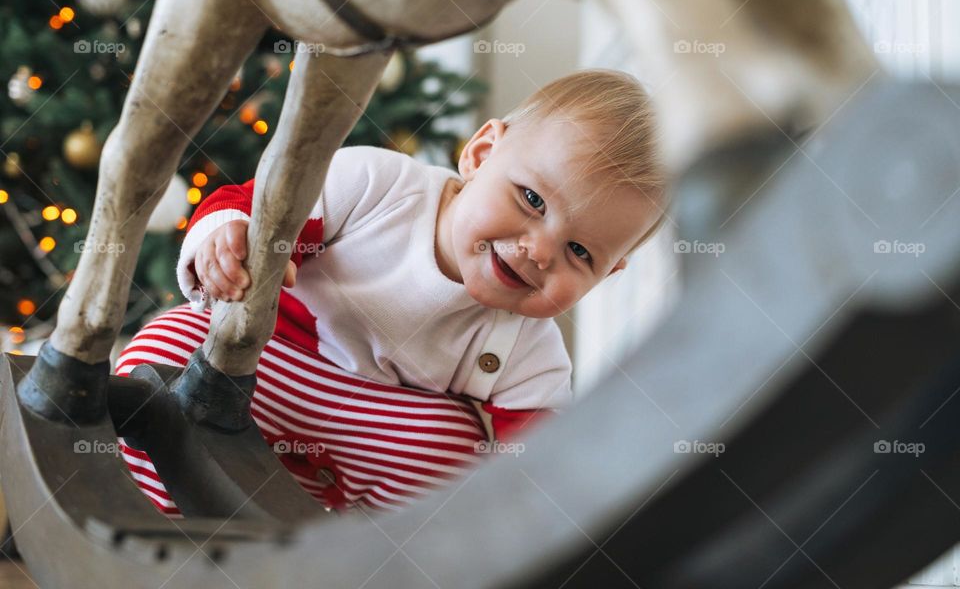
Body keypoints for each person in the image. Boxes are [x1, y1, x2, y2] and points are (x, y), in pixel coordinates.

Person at [117, 69, 670, 515]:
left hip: (367, 439)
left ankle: (362, 558)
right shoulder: (380, 185)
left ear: (609, 273)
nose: (541, 250)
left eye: (580, 253)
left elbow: (545, 464)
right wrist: (231, 237)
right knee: (166, 345)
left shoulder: (531, 353)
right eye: (532, 199)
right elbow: (260, 203)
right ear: (480, 155)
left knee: (457, 455)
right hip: (258, 363)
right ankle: (161, 505)